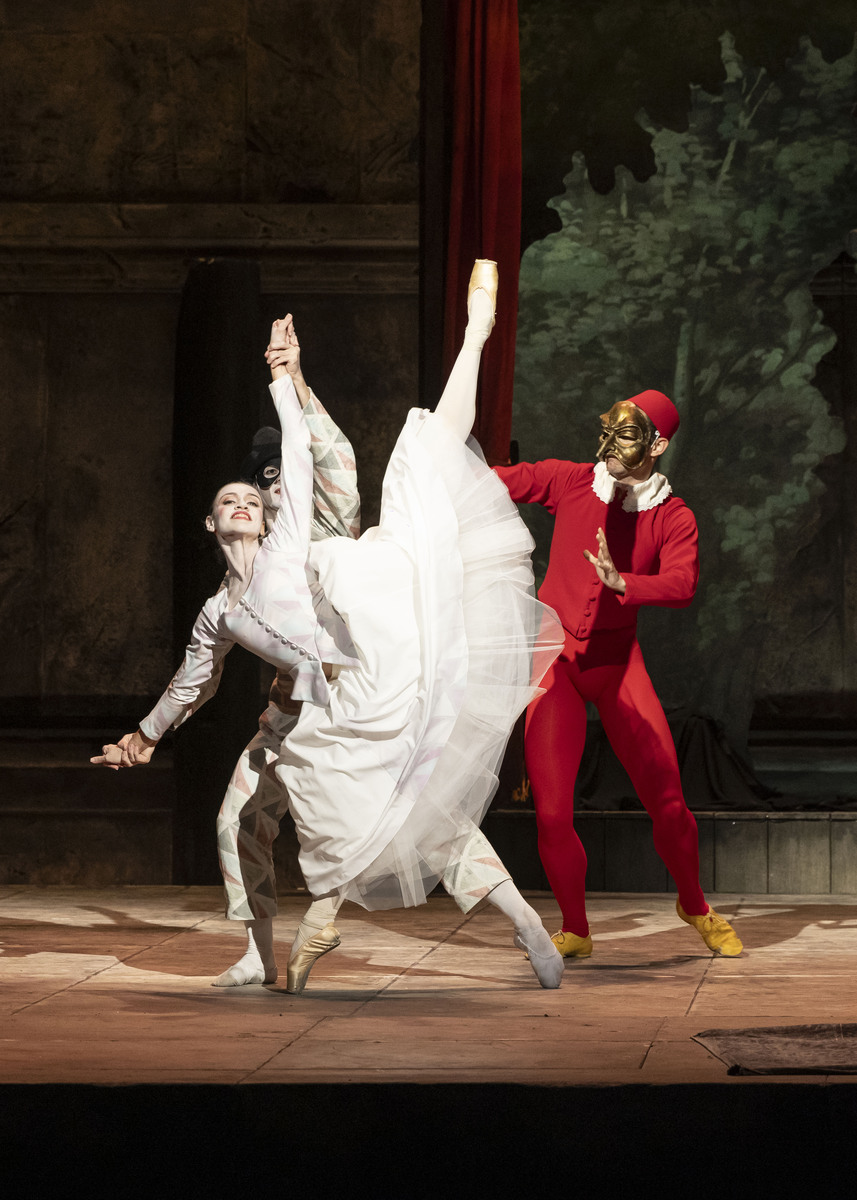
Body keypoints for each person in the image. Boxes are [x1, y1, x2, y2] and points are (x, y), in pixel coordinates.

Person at [94, 261, 566, 991]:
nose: (260, 497)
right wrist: (146, 735)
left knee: (425, 818)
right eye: (247, 492)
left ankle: (515, 923)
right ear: (215, 519)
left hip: (367, 687)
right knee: (239, 818)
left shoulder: (315, 534)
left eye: (266, 489)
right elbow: (196, 675)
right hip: (298, 713)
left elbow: (324, 456)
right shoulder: (223, 603)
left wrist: (292, 379)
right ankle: (262, 949)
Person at [494, 391, 743, 959]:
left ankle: (694, 904)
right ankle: (576, 928)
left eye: (625, 435)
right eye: (606, 430)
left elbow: (682, 582)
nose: (608, 445)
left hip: (616, 667)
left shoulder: (672, 515)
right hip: (557, 665)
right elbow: (502, 481)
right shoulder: (572, 481)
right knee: (551, 814)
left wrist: (625, 582)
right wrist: (440, 457)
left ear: (657, 445)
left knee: (669, 803)